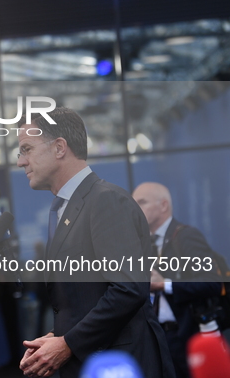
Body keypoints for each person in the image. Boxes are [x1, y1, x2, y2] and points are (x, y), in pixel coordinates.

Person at [16, 107, 175, 378]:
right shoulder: (66, 208)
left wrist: (67, 343)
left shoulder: (105, 200)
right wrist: (57, 337)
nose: (21, 161)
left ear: (59, 148)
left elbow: (128, 289)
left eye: (27, 149)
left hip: (123, 364)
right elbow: (87, 297)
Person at [132, 181, 222, 378]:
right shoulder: (141, 243)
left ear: (163, 205)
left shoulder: (186, 236)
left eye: (142, 202)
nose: (135, 209)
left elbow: (212, 283)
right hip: (157, 339)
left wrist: (165, 284)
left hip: (188, 337)